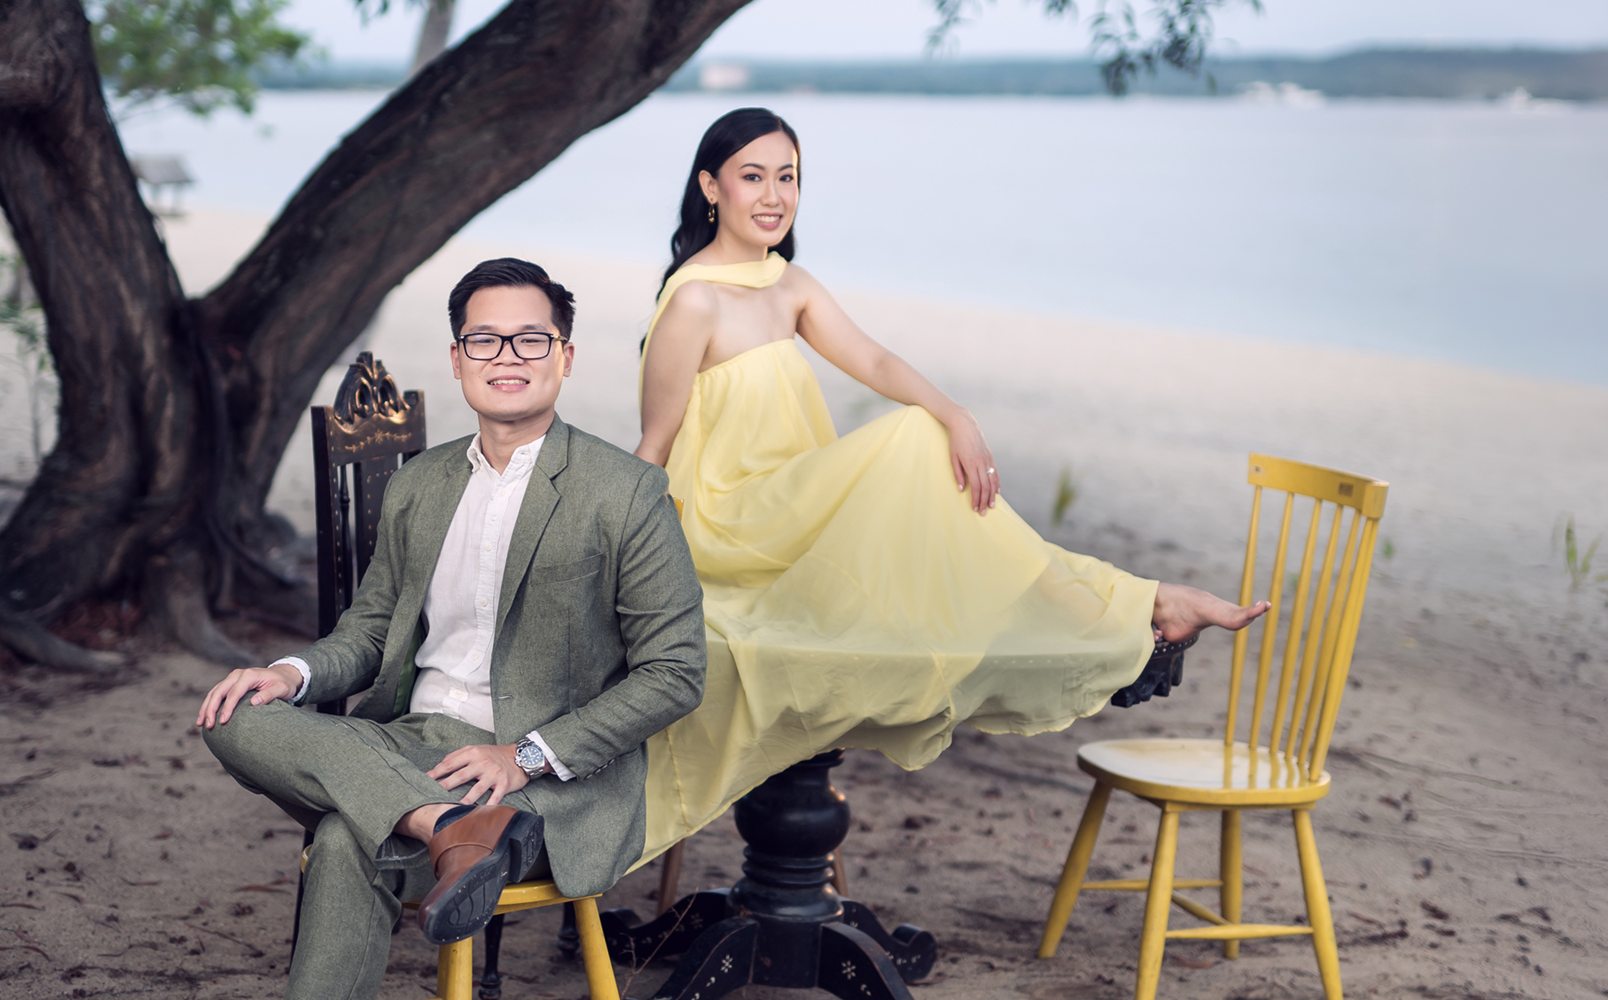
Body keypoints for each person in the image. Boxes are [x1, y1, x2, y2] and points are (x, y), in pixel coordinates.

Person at [629, 109, 1266, 800]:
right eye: (753, 177)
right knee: (912, 438)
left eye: (788, 177)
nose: (774, 196)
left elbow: (874, 359)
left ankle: (1134, 609)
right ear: (711, 186)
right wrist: (629, 564)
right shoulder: (693, 303)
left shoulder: (789, 284)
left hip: (793, 502)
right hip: (730, 521)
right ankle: (1133, 610)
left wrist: (958, 415)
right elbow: (654, 447)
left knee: (931, 452)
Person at [196, 259, 705, 1000]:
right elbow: (372, 631)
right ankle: (446, 827)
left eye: (531, 340)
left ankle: (445, 823)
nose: (507, 358)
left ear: (564, 357)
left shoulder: (626, 493)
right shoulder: (420, 484)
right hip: (413, 745)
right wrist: (290, 674)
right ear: (458, 359)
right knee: (237, 712)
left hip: (544, 780)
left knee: (345, 835)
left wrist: (525, 756)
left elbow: (676, 672)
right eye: (484, 340)